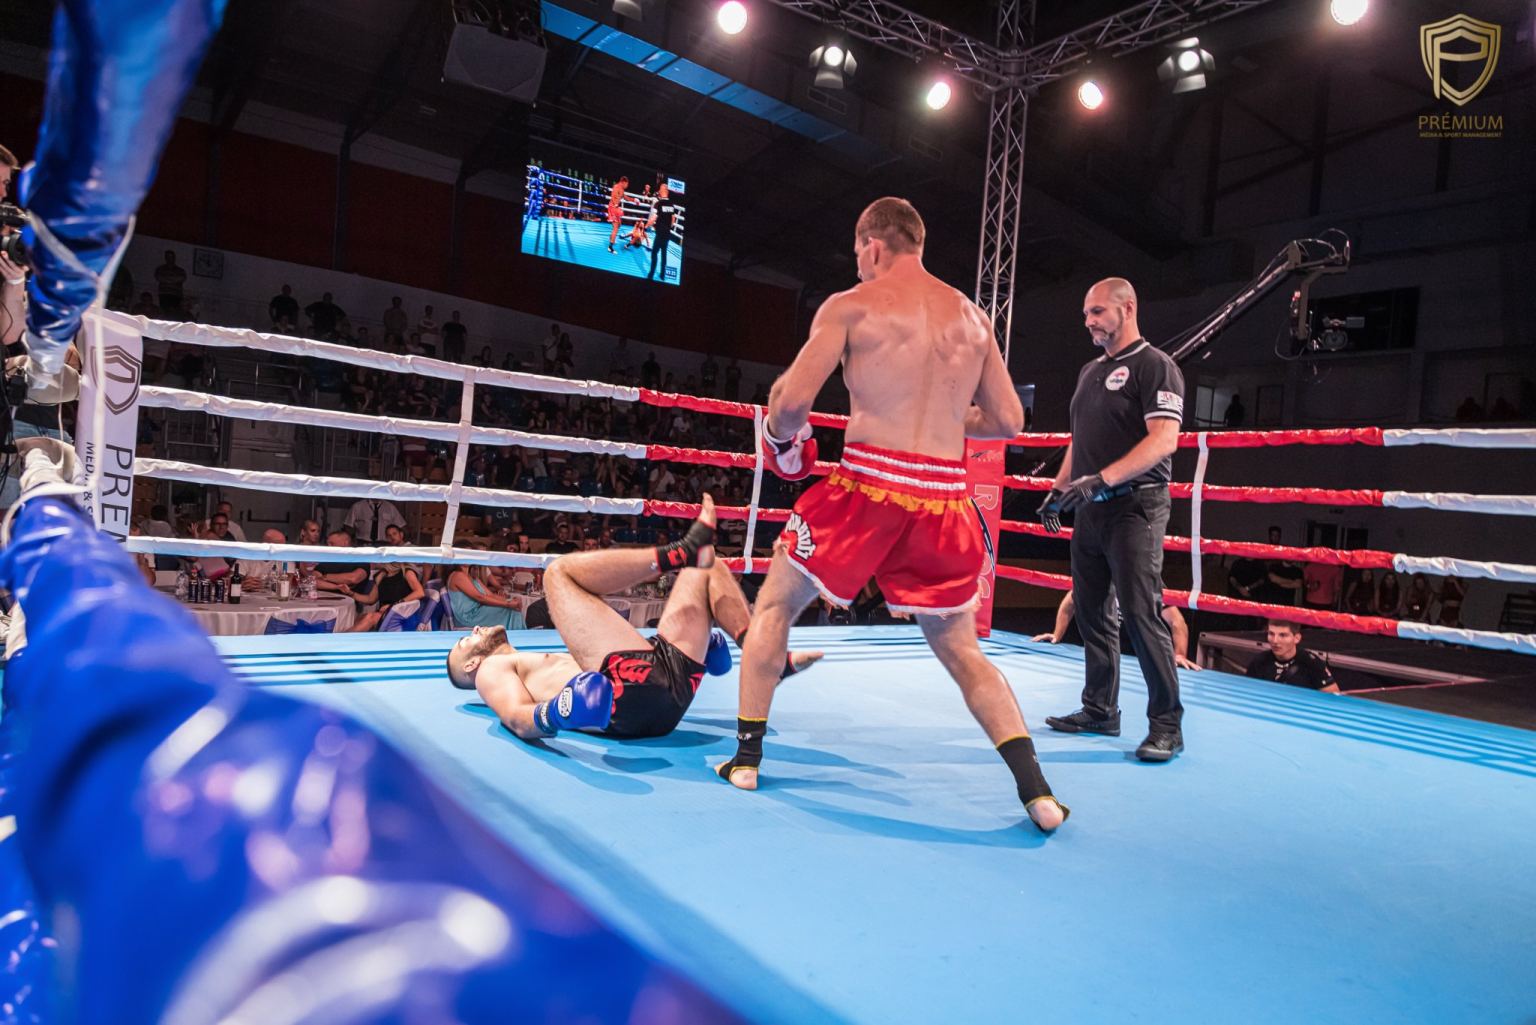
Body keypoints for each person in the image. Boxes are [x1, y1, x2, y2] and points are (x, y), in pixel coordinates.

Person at [714, 197, 1067, 832]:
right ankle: (1038, 793)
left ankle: (745, 759)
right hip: (946, 499)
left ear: (873, 245)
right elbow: (1009, 421)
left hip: (868, 486)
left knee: (773, 608)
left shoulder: (852, 305)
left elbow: (791, 404)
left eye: (858, 252)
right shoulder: (973, 317)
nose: (858, 262)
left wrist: (781, 441)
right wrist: (947, 418)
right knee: (963, 652)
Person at [447, 497, 820, 741]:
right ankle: (675, 553)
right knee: (558, 574)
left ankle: (763, 657)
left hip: (658, 689)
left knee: (707, 565)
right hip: (624, 702)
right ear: (472, 664)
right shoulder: (490, 671)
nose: (474, 630)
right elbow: (515, 717)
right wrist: (559, 713)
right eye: (466, 641)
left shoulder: (526, 661)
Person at [1038, 276, 1185, 762]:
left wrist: (1102, 479)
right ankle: (1100, 709)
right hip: (1091, 508)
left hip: (1136, 507)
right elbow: (1079, 441)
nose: (1089, 321)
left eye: (1098, 311)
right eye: (1086, 313)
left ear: (1128, 308)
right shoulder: (1089, 372)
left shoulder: (1155, 366)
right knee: (1092, 610)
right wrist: (1058, 491)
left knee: (1141, 613)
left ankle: (1167, 726)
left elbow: (1163, 440)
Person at [1032, 590, 1200, 671]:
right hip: (1106, 655)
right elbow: (1071, 601)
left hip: (1138, 659)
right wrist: (1057, 634)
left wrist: (1179, 655)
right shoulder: (1099, 576)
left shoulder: (1147, 585)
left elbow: (1177, 622)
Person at [1244, 620, 1340, 693]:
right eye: (1271, 634)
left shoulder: (1311, 663)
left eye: (1283, 635)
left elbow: (1333, 698)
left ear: (1296, 638)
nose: (1275, 641)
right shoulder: (1259, 661)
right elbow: (1247, 693)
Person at [646, 183, 679, 283]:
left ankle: (651, 274)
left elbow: (653, 218)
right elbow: (673, 219)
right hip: (667, 233)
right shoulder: (672, 204)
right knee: (664, 254)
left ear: (662, 190)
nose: (659, 191)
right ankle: (662, 275)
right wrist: (668, 227)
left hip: (660, 232)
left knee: (654, 253)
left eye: (660, 189)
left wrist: (646, 226)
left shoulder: (658, 203)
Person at [153, 249, 187, 316]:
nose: (170, 259)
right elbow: (159, 277)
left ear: (174, 258)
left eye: (171, 257)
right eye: (168, 257)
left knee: (175, 314)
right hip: (164, 294)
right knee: (164, 313)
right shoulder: (160, 269)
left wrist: (167, 279)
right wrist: (173, 280)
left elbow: (182, 278)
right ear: (165, 258)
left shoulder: (180, 270)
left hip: (176, 294)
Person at [606, 175, 629, 253]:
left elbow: (625, 198)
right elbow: (613, 196)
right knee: (616, 227)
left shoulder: (621, 189)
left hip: (615, 208)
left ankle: (611, 238)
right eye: (627, 184)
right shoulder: (616, 187)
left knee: (619, 225)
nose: (627, 186)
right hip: (613, 208)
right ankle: (610, 247)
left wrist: (634, 200)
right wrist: (615, 204)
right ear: (623, 182)